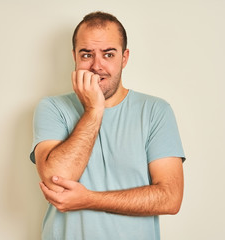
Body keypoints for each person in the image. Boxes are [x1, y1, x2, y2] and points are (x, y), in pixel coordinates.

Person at [30, 11, 186, 240]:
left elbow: (170, 198)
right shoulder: (52, 108)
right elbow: (56, 178)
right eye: (86, 55)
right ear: (74, 57)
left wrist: (90, 199)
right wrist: (94, 110)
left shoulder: (156, 111)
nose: (97, 65)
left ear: (124, 57)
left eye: (108, 54)